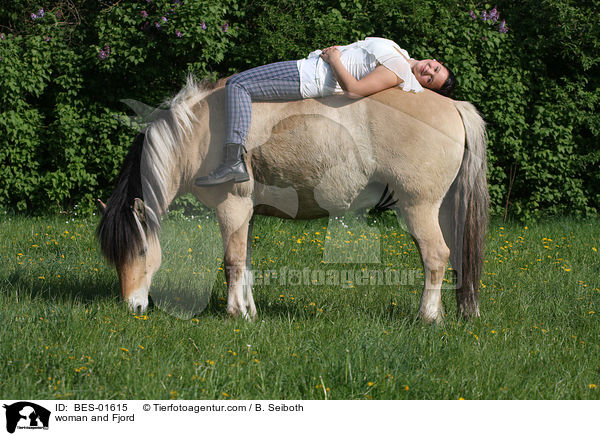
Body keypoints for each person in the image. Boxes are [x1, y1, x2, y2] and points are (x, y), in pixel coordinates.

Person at [195, 37, 456, 187]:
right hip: (309, 68)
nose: (429, 71)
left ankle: (232, 161)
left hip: (310, 77)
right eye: (435, 68)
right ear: (435, 60)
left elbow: (354, 90)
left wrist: (334, 60)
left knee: (237, 84)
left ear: (425, 86)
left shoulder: (396, 70)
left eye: (431, 79)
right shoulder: (401, 53)